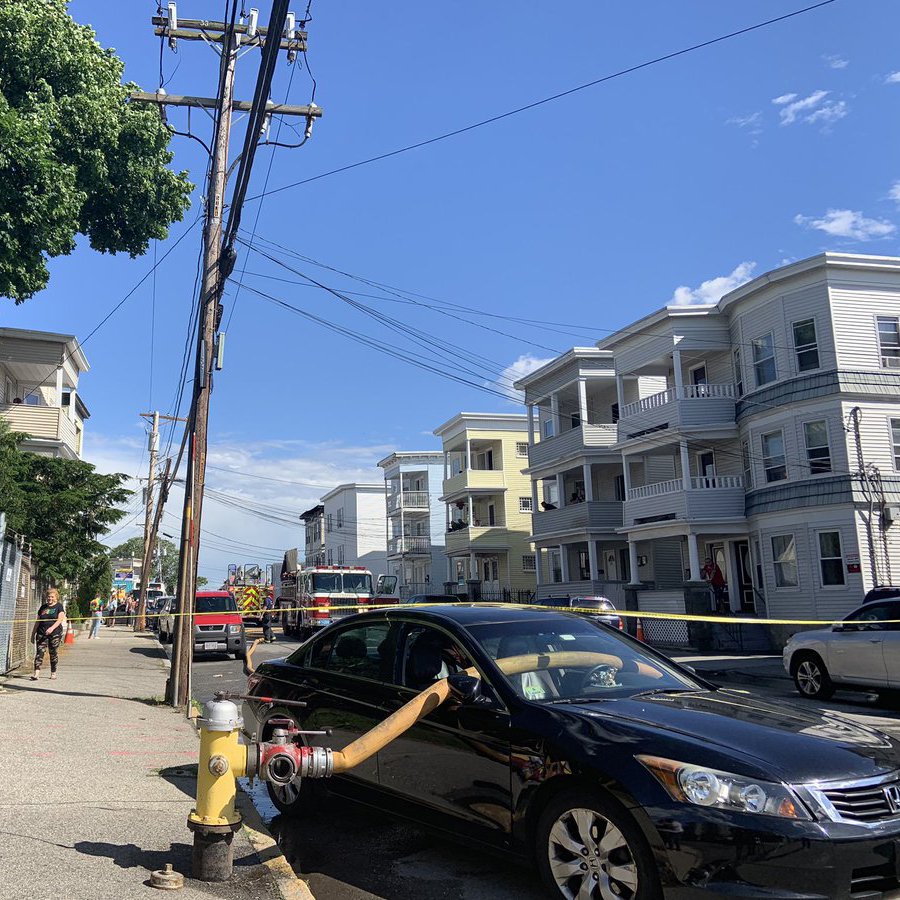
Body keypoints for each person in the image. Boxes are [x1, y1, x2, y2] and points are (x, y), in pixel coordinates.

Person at [31, 588, 66, 680]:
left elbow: (60, 619)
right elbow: (38, 621)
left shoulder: (59, 606)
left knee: (53, 653)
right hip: (41, 633)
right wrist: (33, 633)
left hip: (54, 633)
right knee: (39, 653)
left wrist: (52, 628)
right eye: (48, 596)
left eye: (52, 597)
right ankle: (36, 673)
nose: (50, 598)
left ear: (56, 597)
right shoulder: (43, 607)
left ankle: (53, 672)